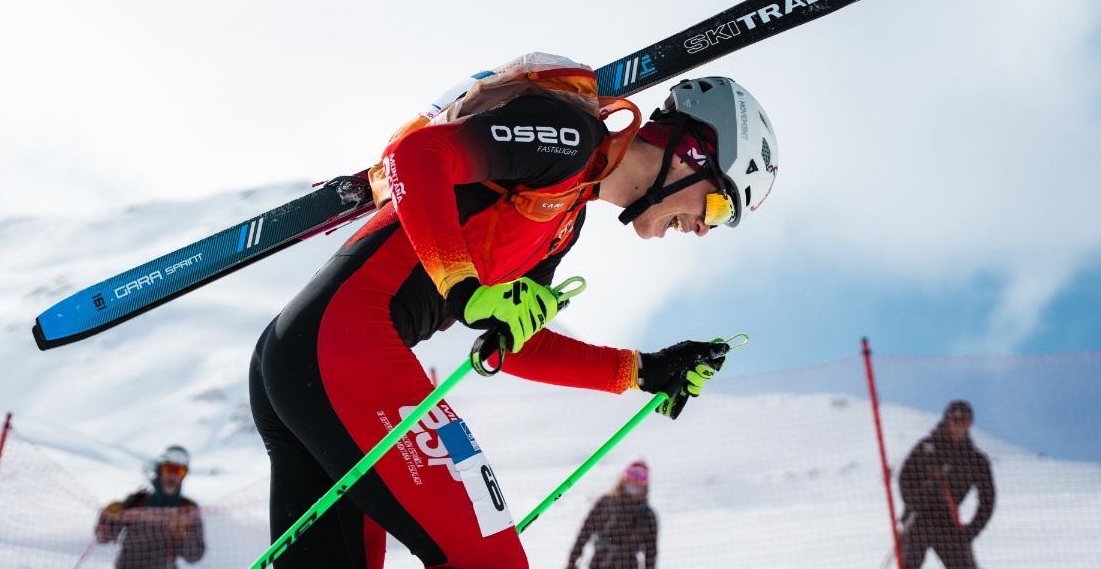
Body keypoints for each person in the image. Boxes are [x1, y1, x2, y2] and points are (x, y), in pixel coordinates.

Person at [248, 53, 778, 568]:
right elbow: (414, 157)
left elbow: (519, 346)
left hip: (305, 360)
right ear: (690, 152)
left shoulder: (566, 217)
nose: (705, 227)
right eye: (719, 205)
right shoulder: (570, 135)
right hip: (342, 350)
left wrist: (641, 370)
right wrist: (462, 287)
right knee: (491, 558)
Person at [898, 400, 995, 569]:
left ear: (969, 424)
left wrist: (971, 531)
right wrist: (916, 500)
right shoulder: (926, 447)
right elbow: (905, 479)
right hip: (918, 519)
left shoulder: (975, 461)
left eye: (964, 421)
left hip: (947, 524)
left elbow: (987, 501)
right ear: (946, 420)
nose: (958, 425)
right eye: (954, 419)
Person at [95, 445, 206, 569]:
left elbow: (195, 556)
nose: (173, 475)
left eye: (179, 471)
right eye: (169, 469)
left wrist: (182, 535)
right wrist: (108, 518)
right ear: (159, 470)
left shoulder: (188, 509)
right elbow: (102, 538)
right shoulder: (137, 501)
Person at [566, 460, 658, 569]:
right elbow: (584, 532)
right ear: (623, 478)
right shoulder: (605, 503)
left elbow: (651, 552)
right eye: (632, 474)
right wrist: (572, 562)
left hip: (628, 564)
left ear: (645, 484)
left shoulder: (647, 515)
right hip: (600, 562)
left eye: (641, 477)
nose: (635, 480)